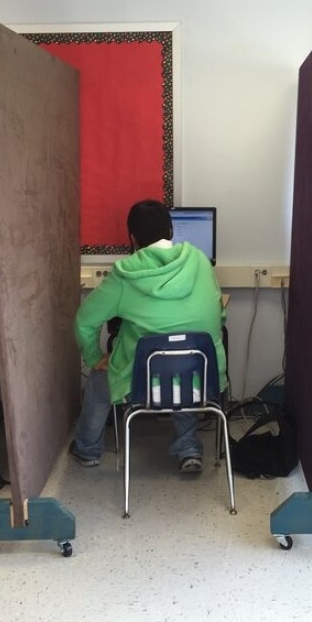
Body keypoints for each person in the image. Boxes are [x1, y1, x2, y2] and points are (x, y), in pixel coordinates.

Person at [70, 199, 226, 473]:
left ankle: (87, 450)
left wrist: (95, 357)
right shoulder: (201, 262)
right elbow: (219, 314)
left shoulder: (124, 276)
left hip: (142, 386)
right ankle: (188, 449)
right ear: (171, 230)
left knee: (97, 384)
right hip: (202, 377)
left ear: (132, 238)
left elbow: (85, 320)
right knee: (184, 368)